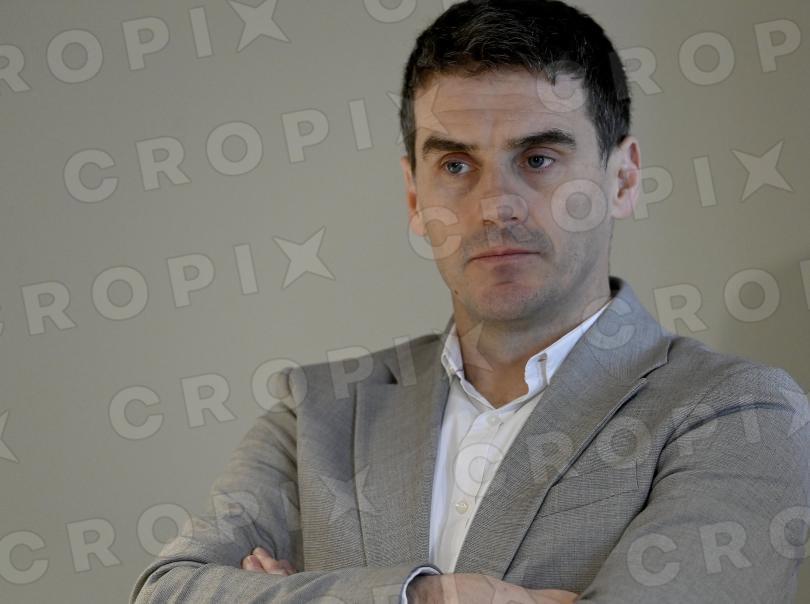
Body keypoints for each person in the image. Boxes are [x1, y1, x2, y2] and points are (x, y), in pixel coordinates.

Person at [130, 1, 810, 602]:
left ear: (623, 178)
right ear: (414, 195)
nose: (494, 206)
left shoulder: (741, 415)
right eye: (455, 166)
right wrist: (421, 597)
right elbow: (169, 592)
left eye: (538, 159)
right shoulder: (317, 413)